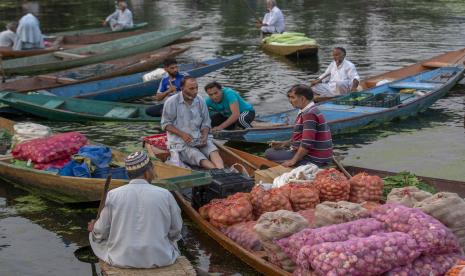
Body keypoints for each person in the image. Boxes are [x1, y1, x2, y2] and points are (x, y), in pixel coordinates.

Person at [88, 151, 183, 268]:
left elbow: (101, 232)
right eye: (153, 170)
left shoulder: (113, 195)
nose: (154, 174)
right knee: (173, 241)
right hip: (160, 258)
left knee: (95, 237)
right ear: (147, 173)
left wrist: (94, 229)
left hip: (121, 259)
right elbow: (176, 230)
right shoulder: (165, 194)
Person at [161, 76, 224, 169]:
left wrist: (205, 135)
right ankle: (217, 171)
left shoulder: (200, 100)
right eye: (191, 88)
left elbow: (206, 122)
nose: (195, 91)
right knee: (198, 157)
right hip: (180, 142)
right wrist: (182, 134)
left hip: (199, 138)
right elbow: (165, 124)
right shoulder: (171, 102)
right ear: (182, 89)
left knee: (213, 151)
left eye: (196, 88)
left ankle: (222, 170)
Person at [265, 84, 333, 167]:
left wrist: (292, 161)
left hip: (314, 159)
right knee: (274, 151)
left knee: (269, 153)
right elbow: (302, 137)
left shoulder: (309, 114)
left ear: (302, 98)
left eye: (293, 97)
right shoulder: (310, 110)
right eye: (289, 97)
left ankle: (299, 163)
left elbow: (307, 143)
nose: (290, 100)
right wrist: (283, 144)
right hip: (318, 156)